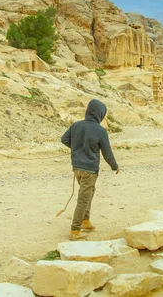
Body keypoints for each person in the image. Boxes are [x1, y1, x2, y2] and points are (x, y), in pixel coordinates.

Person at [61, 99, 119, 240]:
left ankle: (85, 221)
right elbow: (107, 153)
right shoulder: (100, 130)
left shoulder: (76, 125)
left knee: (89, 192)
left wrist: (77, 149)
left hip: (77, 169)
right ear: (100, 114)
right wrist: (115, 166)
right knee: (83, 199)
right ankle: (75, 230)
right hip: (90, 171)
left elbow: (64, 139)